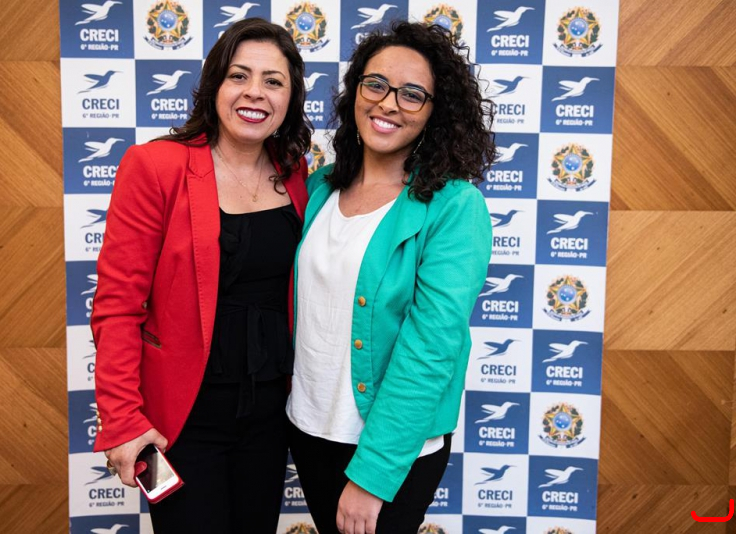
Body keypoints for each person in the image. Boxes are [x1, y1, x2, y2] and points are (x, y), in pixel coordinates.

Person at [91, 18, 312, 533]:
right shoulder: (155, 166)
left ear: (290, 98)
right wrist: (122, 418)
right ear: (215, 85)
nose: (255, 92)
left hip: (271, 416)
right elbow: (118, 306)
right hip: (183, 421)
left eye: (273, 81)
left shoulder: (295, 172)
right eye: (239, 75)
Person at [286, 21, 494, 534]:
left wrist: (373, 475)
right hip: (309, 428)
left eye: (412, 94)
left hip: (389, 449)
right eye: (375, 84)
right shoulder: (319, 188)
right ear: (355, 91)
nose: (388, 103)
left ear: (435, 111)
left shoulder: (454, 206)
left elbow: (432, 348)